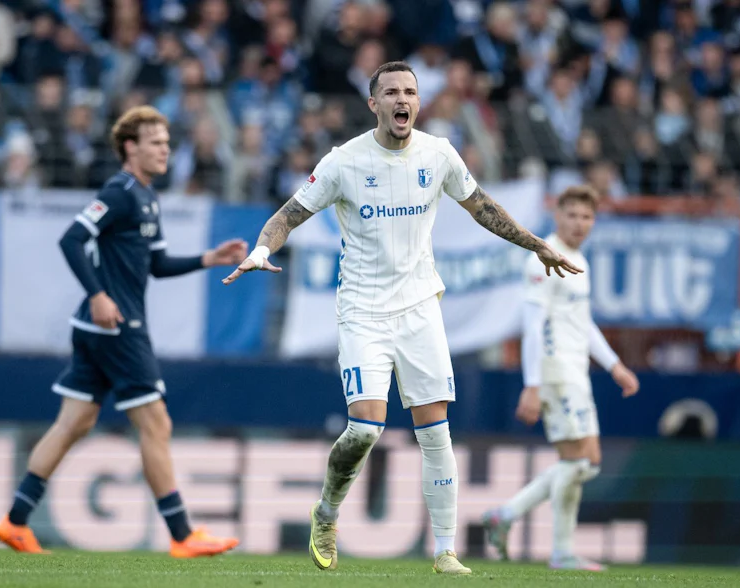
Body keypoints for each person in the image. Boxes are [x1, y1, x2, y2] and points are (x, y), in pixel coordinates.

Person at [221, 61, 583, 575]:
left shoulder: (438, 154)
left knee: (436, 433)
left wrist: (537, 244)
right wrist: (261, 248)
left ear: (418, 102)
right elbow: (288, 215)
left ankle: (445, 551)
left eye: (409, 91)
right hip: (363, 311)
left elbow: (481, 206)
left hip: (419, 308)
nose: (401, 99)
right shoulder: (344, 161)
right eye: (390, 92)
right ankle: (327, 511)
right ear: (374, 104)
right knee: (365, 430)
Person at [0, 106, 246, 558]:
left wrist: (209, 258)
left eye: (168, 142)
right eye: (155, 142)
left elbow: (157, 265)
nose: (165, 149)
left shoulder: (148, 197)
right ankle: (183, 534)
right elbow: (71, 238)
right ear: (131, 147)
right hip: (116, 326)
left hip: (99, 326)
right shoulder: (121, 191)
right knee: (156, 423)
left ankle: (14, 522)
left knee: (73, 423)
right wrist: (97, 294)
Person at [481, 186, 641, 571]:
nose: (579, 223)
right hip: (555, 370)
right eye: (572, 215)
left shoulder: (576, 259)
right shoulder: (542, 259)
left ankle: (508, 517)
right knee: (582, 459)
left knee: (586, 462)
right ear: (558, 216)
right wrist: (532, 385)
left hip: (574, 371)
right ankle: (558, 549)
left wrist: (615, 365)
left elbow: (581, 323)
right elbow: (533, 327)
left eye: (586, 217)